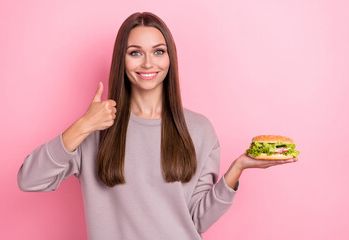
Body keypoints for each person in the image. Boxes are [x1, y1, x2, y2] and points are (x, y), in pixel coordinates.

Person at [17, 12, 298, 240]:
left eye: (158, 51)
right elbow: (29, 180)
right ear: (122, 60)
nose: (148, 62)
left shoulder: (199, 130)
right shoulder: (95, 128)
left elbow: (198, 219)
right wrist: (82, 126)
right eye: (135, 53)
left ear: (169, 58)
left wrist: (237, 168)